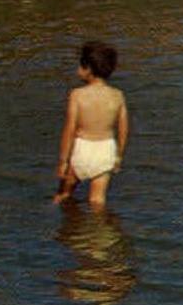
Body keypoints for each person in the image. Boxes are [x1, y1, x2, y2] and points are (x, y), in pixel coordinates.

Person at [52, 41, 130, 207]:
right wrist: (119, 157)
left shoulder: (77, 95)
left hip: (83, 148)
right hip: (106, 149)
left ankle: (53, 219)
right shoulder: (118, 95)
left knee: (64, 192)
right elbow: (123, 130)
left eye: (80, 65)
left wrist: (63, 161)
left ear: (88, 69)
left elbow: (69, 129)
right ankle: (101, 231)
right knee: (97, 200)